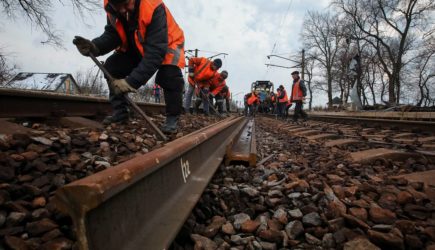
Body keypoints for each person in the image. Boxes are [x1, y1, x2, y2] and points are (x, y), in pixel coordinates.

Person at [72, 0, 185, 134]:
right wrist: (95, 46)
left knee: (169, 76)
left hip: (167, 44)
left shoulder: (154, 7)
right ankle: (121, 113)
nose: (122, 10)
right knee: (112, 67)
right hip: (137, 45)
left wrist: (131, 82)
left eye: (126, 4)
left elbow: (155, 53)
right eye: (118, 5)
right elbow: (113, 35)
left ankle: (172, 118)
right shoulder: (112, 8)